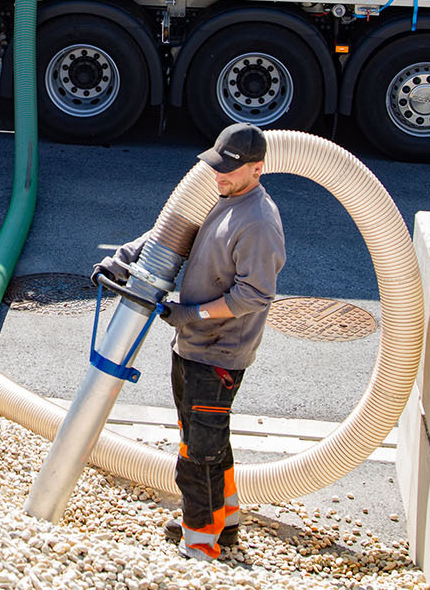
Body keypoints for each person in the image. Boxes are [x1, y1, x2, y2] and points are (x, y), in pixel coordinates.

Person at [93, 122, 285, 561]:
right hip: (194, 344)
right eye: (218, 165)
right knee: (203, 437)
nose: (219, 174)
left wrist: (190, 314)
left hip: (219, 353)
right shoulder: (228, 197)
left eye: (230, 169)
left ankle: (201, 543)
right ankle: (226, 516)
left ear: (258, 169)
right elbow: (175, 232)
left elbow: (254, 295)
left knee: (198, 452)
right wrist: (125, 257)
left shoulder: (257, 223)